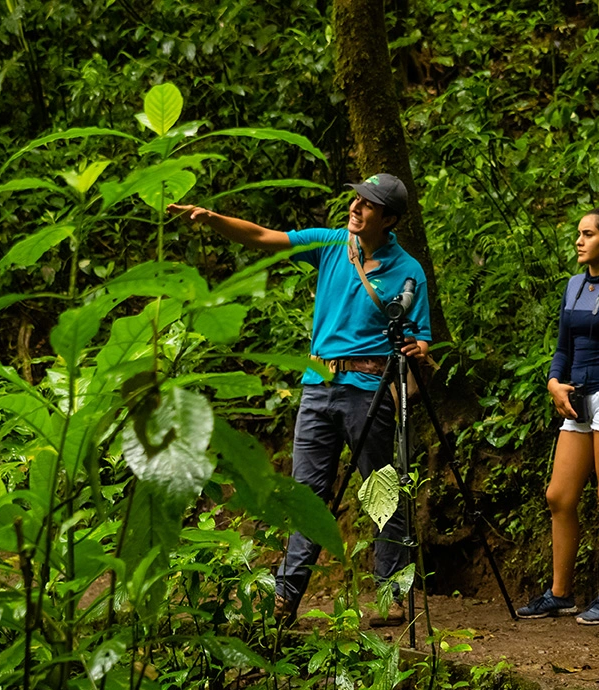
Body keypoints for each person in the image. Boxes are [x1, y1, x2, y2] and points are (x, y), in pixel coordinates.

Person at [167, 173, 433, 626]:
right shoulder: (332, 244)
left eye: (368, 204)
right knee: (306, 494)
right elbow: (265, 238)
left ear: (387, 218)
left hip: (369, 390)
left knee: (380, 494)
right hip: (317, 382)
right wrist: (212, 219)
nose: (356, 207)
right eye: (356, 199)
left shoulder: (408, 270)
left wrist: (418, 349)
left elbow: (421, 338)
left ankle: (391, 598)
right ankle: (285, 599)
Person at [517, 207, 599, 625]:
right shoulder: (574, 286)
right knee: (559, 496)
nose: (579, 241)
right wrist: (554, 382)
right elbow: (563, 347)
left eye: (588, 234)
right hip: (577, 398)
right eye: (578, 233)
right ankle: (560, 593)